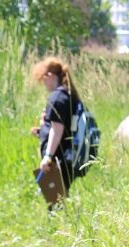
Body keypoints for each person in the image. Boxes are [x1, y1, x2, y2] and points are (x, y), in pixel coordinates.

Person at [30, 57, 84, 191]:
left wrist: (47, 157)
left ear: (50, 75)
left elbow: (57, 130)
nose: (44, 84)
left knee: (55, 203)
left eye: (43, 80)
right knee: (60, 200)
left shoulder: (57, 97)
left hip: (58, 159)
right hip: (67, 156)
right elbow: (63, 127)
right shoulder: (67, 95)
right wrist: (42, 131)